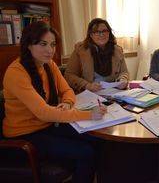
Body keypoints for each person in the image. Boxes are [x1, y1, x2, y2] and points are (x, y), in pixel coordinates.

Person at [2, 21, 107, 183]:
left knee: (99, 140)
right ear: (29, 44)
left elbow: (67, 91)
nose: (50, 50)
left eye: (53, 44)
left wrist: (67, 103)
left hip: (47, 125)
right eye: (43, 44)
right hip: (25, 135)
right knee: (85, 152)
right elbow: (44, 112)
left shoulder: (49, 65)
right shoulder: (16, 73)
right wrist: (89, 115)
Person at [65, 18, 129, 93]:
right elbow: (69, 75)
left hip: (113, 93)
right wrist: (87, 85)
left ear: (109, 33)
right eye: (97, 32)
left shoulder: (117, 50)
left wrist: (123, 80)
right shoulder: (80, 50)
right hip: (89, 94)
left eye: (104, 31)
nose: (101, 34)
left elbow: (124, 72)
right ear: (91, 35)